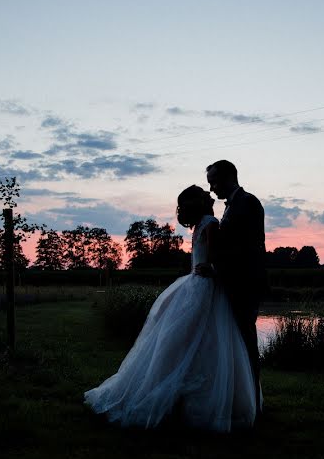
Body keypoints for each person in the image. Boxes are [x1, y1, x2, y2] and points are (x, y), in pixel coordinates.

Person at [84, 185, 260, 431]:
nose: (209, 193)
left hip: (195, 283)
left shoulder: (200, 224)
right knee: (208, 341)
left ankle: (178, 397)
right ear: (200, 201)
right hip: (207, 285)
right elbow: (215, 257)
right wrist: (218, 270)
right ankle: (201, 401)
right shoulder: (210, 223)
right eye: (204, 192)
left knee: (187, 342)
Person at [195, 160, 267, 419]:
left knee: (246, 342)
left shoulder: (248, 203)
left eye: (214, 182)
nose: (212, 189)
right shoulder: (230, 208)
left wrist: (217, 270)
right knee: (235, 344)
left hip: (244, 283)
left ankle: (253, 405)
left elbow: (249, 249)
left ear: (228, 177)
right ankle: (240, 401)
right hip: (230, 283)